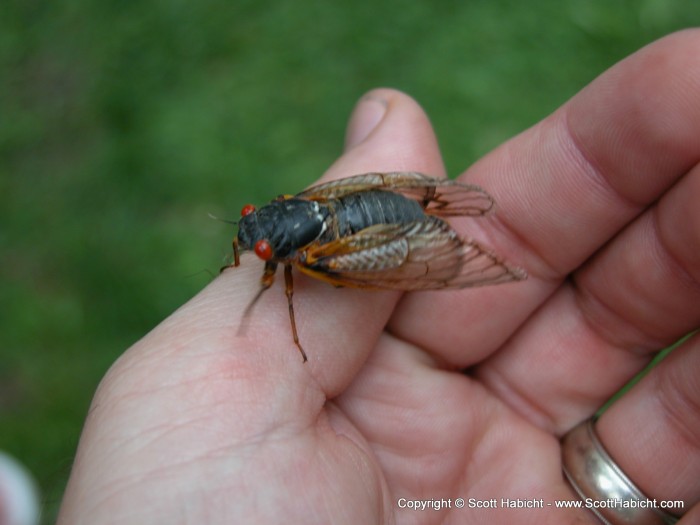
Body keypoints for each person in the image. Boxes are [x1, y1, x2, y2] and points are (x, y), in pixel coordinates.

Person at [57, 30, 699, 524]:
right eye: (252, 238)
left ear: (271, 235)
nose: (250, 233)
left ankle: (434, 229)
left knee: (355, 273)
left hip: (358, 228)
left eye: (253, 229)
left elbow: (294, 271)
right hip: (345, 209)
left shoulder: (300, 264)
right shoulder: (276, 239)